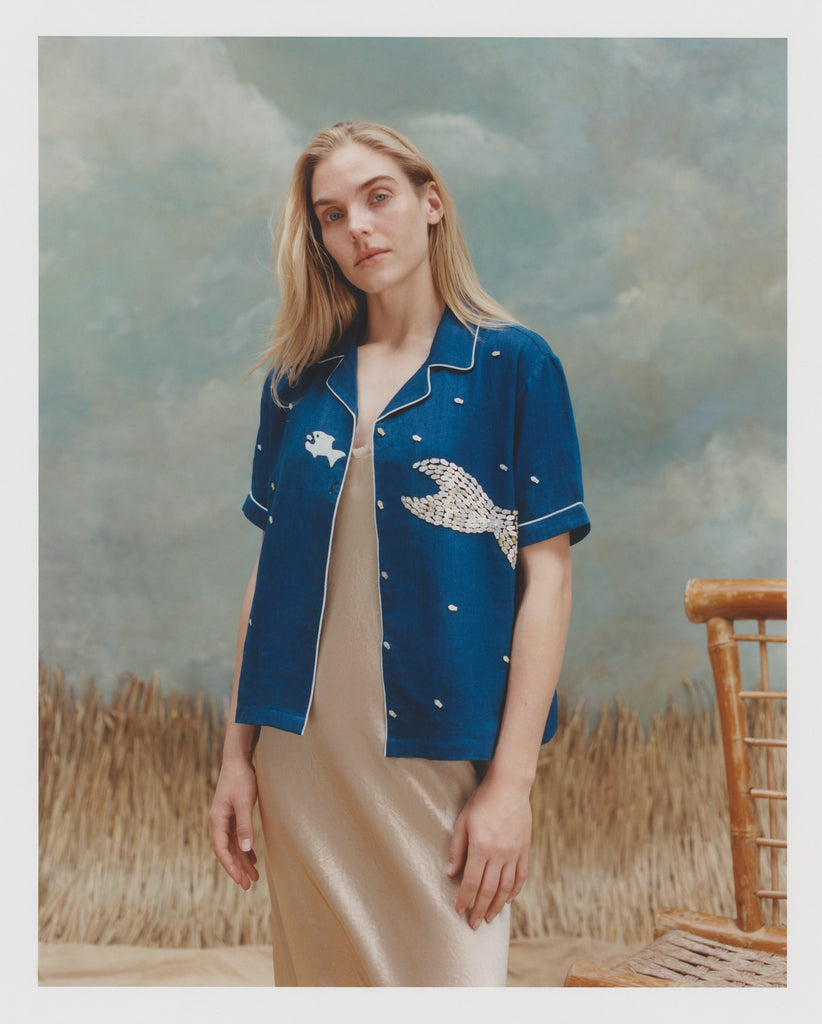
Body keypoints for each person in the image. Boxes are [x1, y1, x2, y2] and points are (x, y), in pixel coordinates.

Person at [209, 121, 590, 987]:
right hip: (301, 751)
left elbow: (548, 584)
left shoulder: (515, 366)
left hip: (440, 750)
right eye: (332, 215)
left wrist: (511, 788)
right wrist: (236, 756)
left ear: (432, 201)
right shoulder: (297, 383)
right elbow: (269, 583)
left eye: (378, 198)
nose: (359, 230)